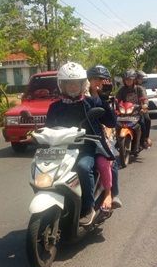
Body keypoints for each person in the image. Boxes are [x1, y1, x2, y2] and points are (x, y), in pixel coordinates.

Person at [46, 62, 117, 225]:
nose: (72, 87)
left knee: (84, 168)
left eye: (76, 83)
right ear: (61, 85)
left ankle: (88, 208)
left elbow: (111, 122)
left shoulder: (90, 103)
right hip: (61, 150)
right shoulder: (55, 107)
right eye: (68, 83)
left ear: (82, 84)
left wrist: (104, 99)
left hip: (86, 149)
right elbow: (48, 129)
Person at [86, 65, 123, 211]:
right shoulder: (80, 96)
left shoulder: (104, 97)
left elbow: (111, 122)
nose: (98, 82)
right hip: (76, 138)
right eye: (95, 79)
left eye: (102, 79)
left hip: (97, 136)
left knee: (108, 159)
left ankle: (110, 193)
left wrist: (104, 99)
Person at [116, 70, 151, 150]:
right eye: (126, 80)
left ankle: (143, 140)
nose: (128, 81)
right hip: (125, 113)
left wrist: (145, 104)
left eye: (130, 79)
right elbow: (117, 99)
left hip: (138, 111)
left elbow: (144, 98)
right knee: (116, 124)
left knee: (145, 120)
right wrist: (114, 105)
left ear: (134, 80)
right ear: (124, 80)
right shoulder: (122, 90)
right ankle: (118, 142)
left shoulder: (139, 89)